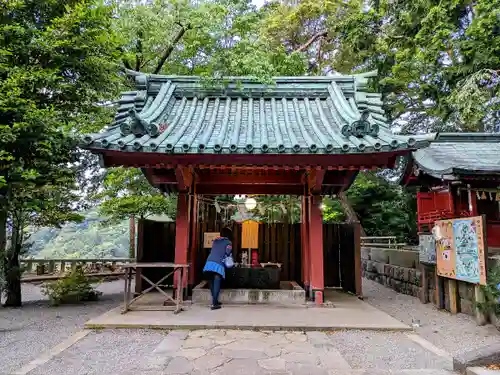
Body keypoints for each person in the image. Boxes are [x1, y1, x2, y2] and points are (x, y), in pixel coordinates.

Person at [203, 227, 233, 310]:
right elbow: (227, 253)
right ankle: (214, 304)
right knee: (216, 284)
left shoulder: (215, 241)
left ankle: (215, 301)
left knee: (211, 283)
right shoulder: (228, 242)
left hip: (208, 264)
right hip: (218, 265)